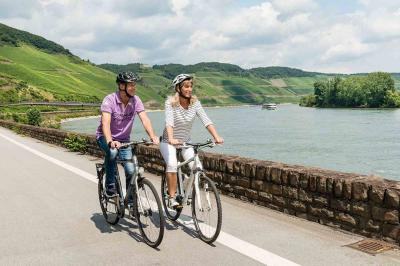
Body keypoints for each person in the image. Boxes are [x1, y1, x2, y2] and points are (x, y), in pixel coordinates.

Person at [160, 73, 224, 208]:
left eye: (191, 86)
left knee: (198, 168)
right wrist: (171, 138)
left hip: (185, 142)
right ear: (178, 88)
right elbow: (169, 122)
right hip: (168, 141)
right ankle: (172, 198)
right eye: (186, 87)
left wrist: (216, 136)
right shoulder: (170, 103)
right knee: (172, 164)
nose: (189, 89)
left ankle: (184, 185)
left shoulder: (195, 103)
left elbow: (206, 120)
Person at [96, 71, 159, 196]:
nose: (134, 87)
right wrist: (110, 141)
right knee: (112, 152)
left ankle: (130, 203)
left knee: (131, 171)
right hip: (105, 137)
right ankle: (110, 186)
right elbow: (106, 123)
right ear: (121, 86)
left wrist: (152, 136)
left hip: (124, 140)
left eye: (134, 84)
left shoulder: (136, 100)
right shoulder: (110, 100)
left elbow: (145, 119)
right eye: (131, 85)